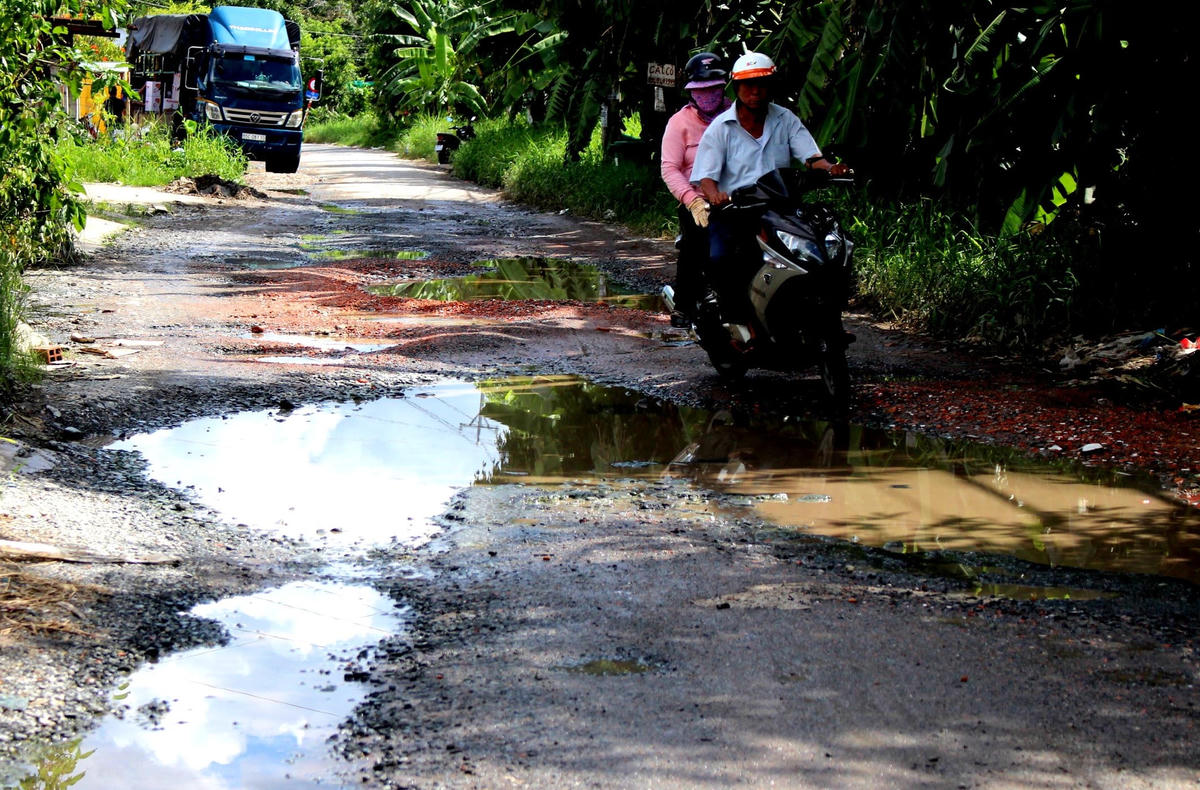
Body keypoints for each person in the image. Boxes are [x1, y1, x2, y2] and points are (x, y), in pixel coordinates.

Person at [690, 51, 848, 316]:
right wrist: (715, 194)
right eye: (748, 84)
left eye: (761, 84)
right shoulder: (721, 127)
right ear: (737, 87)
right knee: (721, 259)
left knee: (816, 254)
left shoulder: (785, 119)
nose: (755, 91)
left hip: (781, 210)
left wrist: (832, 169)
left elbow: (812, 158)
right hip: (736, 212)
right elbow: (706, 177)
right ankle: (732, 320)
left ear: (770, 86)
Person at [659, 52, 730, 327]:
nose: (708, 95)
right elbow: (670, 168)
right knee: (697, 242)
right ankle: (685, 306)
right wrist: (692, 200)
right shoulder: (680, 123)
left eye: (714, 89)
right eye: (702, 90)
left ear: (723, 87)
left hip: (739, 198)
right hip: (699, 201)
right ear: (692, 92)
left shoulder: (737, 116)